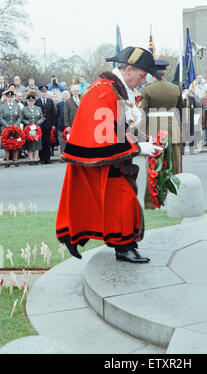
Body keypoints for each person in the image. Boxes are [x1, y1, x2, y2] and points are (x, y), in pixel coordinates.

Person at [56, 46, 163, 263]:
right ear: (129, 69)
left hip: (113, 160)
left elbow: (121, 127)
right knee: (122, 202)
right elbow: (104, 133)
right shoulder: (104, 90)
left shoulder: (116, 89)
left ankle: (118, 244)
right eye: (142, 76)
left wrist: (142, 139)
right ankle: (123, 248)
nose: (143, 81)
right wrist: (139, 148)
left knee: (115, 202)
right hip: (104, 161)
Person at [140, 59, 184, 209]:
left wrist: (142, 133)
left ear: (154, 73)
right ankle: (176, 201)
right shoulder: (175, 88)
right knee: (175, 167)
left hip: (154, 130)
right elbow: (181, 110)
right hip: (173, 129)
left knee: (154, 168)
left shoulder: (147, 89)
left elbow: (143, 112)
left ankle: (151, 203)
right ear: (165, 73)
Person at [22, 91, 45, 165]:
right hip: (28, 129)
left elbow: (42, 117)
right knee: (29, 144)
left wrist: (37, 123)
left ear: (34, 101)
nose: (31, 102)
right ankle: (30, 159)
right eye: (29, 101)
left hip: (37, 128)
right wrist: (28, 123)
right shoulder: (24, 109)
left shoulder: (38, 108)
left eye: (32, 101)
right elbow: (22, 118)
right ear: (27, 101)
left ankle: (36, 159)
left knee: (37, 143)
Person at [0, 90, 22, 167]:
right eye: (8, 97)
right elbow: (1, 118)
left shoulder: (17, 106)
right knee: (6, 145)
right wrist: (7, 126)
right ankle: (7, 161)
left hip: (15, 128)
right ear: (6, 98)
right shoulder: (2, 107)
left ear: (13, 97)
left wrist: (15, 125)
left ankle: (16, 160)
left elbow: (20, 117)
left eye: (11, 97)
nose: (9, 98)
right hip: (6, 129)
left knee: (16, 144)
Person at [35, 86, 57, 164]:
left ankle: (47, 158)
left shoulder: (50, 101)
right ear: (40, 93)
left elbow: (53, 114)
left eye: (45, 92)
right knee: (41, 141)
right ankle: (42, 158)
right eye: (42, 92)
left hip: (48, 124)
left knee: (47, 142)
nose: (44, 93)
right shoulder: (37, 101)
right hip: (40, 125)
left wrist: (53, 124)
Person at [57, 90, 71, 154]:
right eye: (64, 94)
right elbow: (57, 115)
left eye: (67, 94)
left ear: (69, 96)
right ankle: (63, 155)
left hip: (70, 127)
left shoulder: (72, 104)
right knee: (62, 142)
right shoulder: (59, 104)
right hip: (61, 127)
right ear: (62, 96)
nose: (65, 95)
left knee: (70, 142)